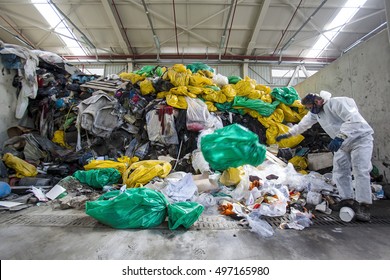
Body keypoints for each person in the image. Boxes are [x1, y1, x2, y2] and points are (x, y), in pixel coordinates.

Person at [276, 90, 374, 222]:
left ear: (318, 101)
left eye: (310, 107)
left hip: (360, 139)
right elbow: (303, 125)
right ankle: (347, 200)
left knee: (360, 170)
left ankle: (364, 205)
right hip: (343, 143)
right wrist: (288, 134)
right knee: (340, 171)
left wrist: (340, 137)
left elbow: (352, 119)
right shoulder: (317, 113)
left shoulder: (336, 103)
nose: (310, 110)